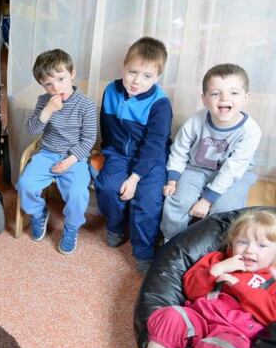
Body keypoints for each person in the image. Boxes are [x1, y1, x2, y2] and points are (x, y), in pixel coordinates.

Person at [115, 210, 276, 348]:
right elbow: (190, 289)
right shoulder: (218, 260)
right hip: (199, 318)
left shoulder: (272, 281)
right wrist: (216, 271)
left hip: (234, 333)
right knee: (170, 315)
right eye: (243, 242)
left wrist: (238, 285)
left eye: (261, 245)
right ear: (232, 243)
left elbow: (270, 314)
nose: (250, 251)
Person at [94, 37, 173, 273]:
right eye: (133, 72)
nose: (137, 80)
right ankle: (116, 226)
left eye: (147, 76)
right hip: (118, 154)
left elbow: (154, 145)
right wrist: (106, 150)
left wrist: (135, 177)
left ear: (157, 77)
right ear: (124, 66)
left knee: (147, 201)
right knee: (108, 187)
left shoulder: (160, 103)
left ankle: (143, 251)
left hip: (152, 159)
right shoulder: (111, 90)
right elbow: (105, 125)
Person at [160, 64, 261, 242]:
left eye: (234, 93)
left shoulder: (250, 131)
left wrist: (207, 200)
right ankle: (171, 243)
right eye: (215, 93)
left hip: (234, 175)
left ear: (246, 97)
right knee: (178, 202)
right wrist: (173, 178)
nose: (224, 98)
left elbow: (232, 169)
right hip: (197, 168)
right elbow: (179, 149)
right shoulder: (195, 121)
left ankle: (214, 248)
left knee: (226, 209)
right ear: (204, 99)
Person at [16, 49, 97, 254]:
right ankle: (38, 213)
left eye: (61, 79)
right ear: (42, 85)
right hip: (47, 152)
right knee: (25, 184)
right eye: (48, 84)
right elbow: (32, 130)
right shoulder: (44, 101)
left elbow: (88, 140)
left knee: (78, 194)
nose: (56, 87)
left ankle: (71, 228)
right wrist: (48, 111)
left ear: (72, 74)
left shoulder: (86, 105)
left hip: (74, 157)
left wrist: (70, 161)